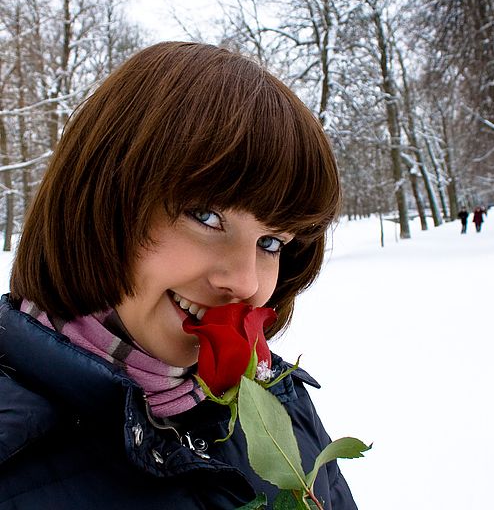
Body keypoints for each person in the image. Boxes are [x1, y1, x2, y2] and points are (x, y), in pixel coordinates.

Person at [0, 42, 357, 509]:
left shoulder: (280, 405)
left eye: (271, 242)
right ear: (103, 199)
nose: (246, 283)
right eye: (207, 216)